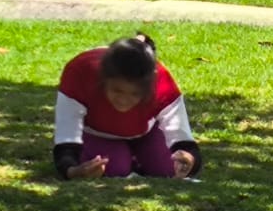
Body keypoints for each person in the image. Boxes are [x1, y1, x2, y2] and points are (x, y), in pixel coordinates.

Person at [53, 36, 201, 181]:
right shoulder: (80, 73)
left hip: (144, 132)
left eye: (135, 94)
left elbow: (183, 140)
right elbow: (66, 137)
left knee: (170, 168)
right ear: (103, 79)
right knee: (116, 168)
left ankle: (134, 156)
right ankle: (125, 157)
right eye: (117, 90)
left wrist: (189, 160)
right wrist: (72, 170)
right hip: (96, 132)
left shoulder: (162, 84)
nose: (123, 100)